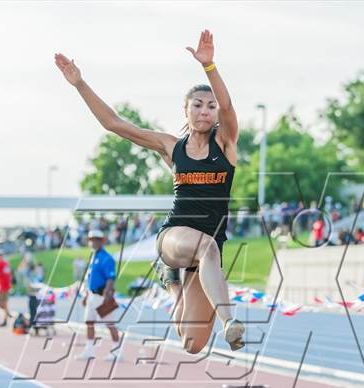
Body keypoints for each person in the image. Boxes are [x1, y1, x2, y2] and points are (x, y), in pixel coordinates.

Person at [55, 29, 245, 354]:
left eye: (210, 107)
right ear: (185, 110)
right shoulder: (171, 147)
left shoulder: (225, 143)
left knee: (192, 343)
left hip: (207, 246)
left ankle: (174, 285)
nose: (205, 111)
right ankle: (231, 322)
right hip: (175, 235)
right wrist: (79, 83)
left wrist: (210, 66)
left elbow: (229, 108)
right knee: (207, 247)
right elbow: (114, 123)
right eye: (197, 105)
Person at [76, 230, 122, 361]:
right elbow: (90, 278)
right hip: (92, 295)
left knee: (110, 324)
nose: (93, 241)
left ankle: (116, 351)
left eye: (96, 239)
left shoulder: (106, 258)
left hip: (102, 295)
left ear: (102, 241)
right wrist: (86, 295)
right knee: (89, 322)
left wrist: (107, 295)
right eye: (91, 239)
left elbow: (110, 277)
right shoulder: (93, 256)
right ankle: (89, 350)